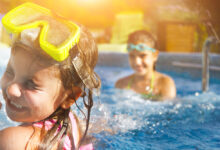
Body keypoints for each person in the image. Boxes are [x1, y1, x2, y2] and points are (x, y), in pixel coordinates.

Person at [0, 2, 100, 150]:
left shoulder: (12, 141)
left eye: (31, 84)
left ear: (69, 98)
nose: (11, 89)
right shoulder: (70, 122)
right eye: (10, 72)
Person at [115, 30, 176, 100]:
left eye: (142, 55)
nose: (137, 62)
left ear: (155, 55)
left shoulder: (164, 84)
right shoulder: (121, 84)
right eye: (132, 56)